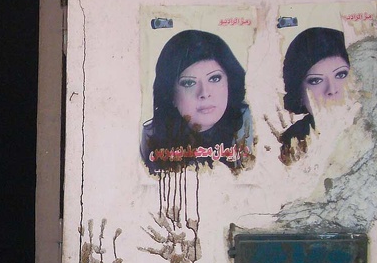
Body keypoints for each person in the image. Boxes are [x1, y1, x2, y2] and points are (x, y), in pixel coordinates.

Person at [140, 29, 252, 173]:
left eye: (214, 78)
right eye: (188, 83)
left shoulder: (253, 126)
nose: (204, 93)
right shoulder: (151, 138)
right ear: (170, 94)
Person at [279, 27, 350, 161]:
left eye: (341, 74)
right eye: (316, 80)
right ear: (299, 93)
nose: (332, 89)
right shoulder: (292, 145)